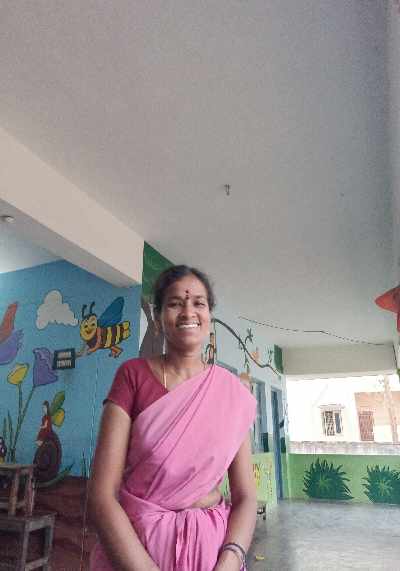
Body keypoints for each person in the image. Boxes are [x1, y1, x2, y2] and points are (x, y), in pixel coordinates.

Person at [88, 265, 257, 571]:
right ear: (157, 317)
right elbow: (102, 496)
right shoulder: (132, 376)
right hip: (137, 551)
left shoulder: (231, 393)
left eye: (198, 303)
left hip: (211, 554)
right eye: (175, 303)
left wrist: (231, 559)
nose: (188, 311)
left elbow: (245, 496)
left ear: (209, 316)